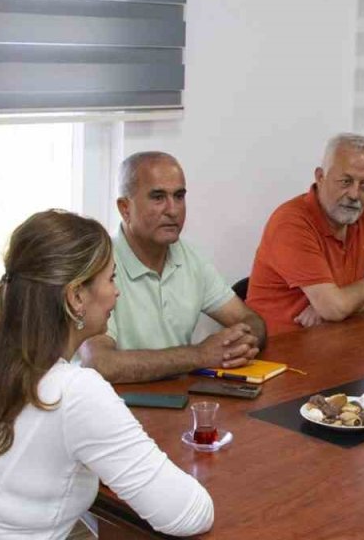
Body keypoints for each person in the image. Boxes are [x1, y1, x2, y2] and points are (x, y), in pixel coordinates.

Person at [0, 210, 214, 539]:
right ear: (75, 296)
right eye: (111, 279)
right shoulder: (74, 391)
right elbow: (189, 514)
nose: (117, 293)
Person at [79, 152, 264, 384]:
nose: (173, 210)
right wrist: (201, 355)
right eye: (158, 197)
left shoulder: (190, 256)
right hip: (116, 406)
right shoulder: (98, 264)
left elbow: (249, 319)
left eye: (179, 196)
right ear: (125, 208)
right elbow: (100, 364)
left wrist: (236, 345)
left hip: (179, 400)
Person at [247, 133, 364, 334]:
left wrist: (344, 308)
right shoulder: (291, 221)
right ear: (320, 177)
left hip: (338, 338)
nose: (354, 194)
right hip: (281, 349)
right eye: (345, 181)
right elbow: (334, 308)